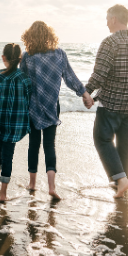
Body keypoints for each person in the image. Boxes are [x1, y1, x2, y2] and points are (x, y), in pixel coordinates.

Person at [83, 4, 128, 198]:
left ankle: (120, 181)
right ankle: (122, 187)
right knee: (126, 149)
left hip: (111, 106)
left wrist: (87, 91)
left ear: (114, 19)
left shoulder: (110, 43)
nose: (106, 23)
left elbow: (100, 73)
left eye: (107, 19)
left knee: (102, 139)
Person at [19, 21, 92, 199]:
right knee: (49, 145)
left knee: (33, 145)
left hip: (32, 108)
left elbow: (22, 82)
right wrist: (84, 93)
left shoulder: (27, 56)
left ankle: (32, 184)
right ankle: (52, 187)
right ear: (49, 36)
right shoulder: (59, 54)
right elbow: (70, 77)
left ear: (30, 37)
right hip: (52, 106)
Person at [0, 43, 33, 202]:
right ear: (20, 59)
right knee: (8, 156)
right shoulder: (25, 79)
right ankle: (3, 193)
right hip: (15, 125)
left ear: (3, 58)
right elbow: (29, 100)